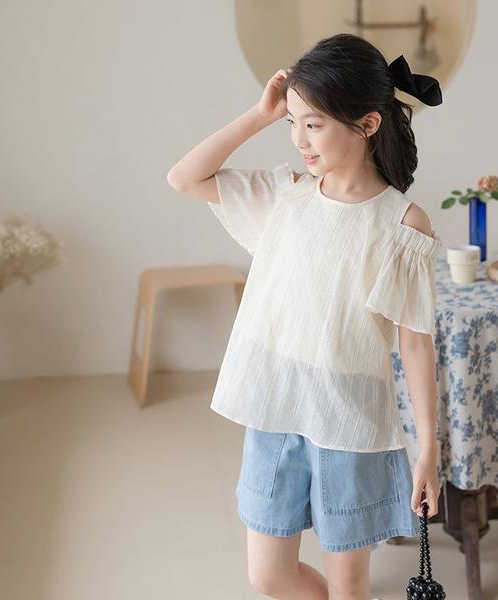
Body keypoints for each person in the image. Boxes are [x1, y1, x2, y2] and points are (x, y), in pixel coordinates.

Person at [167, 33, 443, 600]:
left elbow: (416, 344)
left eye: (313, 124)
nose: (299, 139)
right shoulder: (284, 195)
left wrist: (428, 449)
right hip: (274, 410)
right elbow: (184, 178)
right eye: (292, 123)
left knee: (349, 586)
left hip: (350, 424)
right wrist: (259, 115)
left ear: (368, 124)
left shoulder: (402, 224)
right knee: (268, 574)